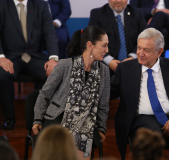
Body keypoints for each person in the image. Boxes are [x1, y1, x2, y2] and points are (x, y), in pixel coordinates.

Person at [111, 28, 169, 160]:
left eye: (146, 50)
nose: (140, 54)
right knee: (152, 137)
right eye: (139, 48)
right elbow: (109, 92)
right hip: (143, 118)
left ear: (159, 52)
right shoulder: (125, 69)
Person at [32, 26, 110, 160]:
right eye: (104, 45)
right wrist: (38, 118)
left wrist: (101, 128)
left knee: (83, 141)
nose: (107, 50)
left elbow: (103, 105)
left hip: (86, 123)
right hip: (59, 120)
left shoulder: (104, 71)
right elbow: (44, 94)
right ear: (90, 45)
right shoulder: (64, 65)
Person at [0, 0, 59, 130]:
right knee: (2, 75)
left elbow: (49, 32)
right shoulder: (2, 4)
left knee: (54, 73)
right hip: (10, 56)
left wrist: (53, 58)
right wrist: (1, 57)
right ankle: (9, 117)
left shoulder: (41, 5)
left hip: (35, 56)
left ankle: (44, 118)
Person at [88, 0, 147, 74]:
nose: (118, 0)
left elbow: (145, 38)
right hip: (104, 64)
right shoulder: (97, 14)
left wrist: (133, 57)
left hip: (134, 64)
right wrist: (109, 61)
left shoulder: (137, 13)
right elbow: (93, 39)